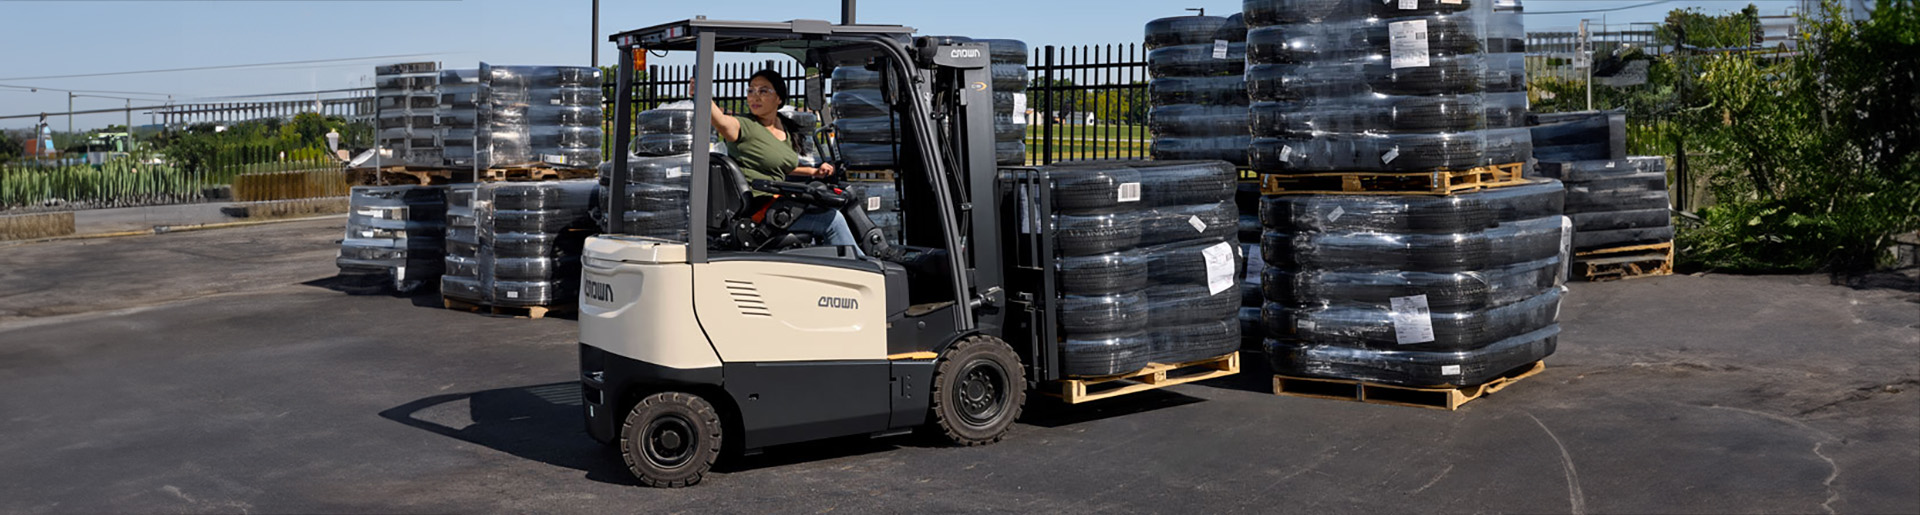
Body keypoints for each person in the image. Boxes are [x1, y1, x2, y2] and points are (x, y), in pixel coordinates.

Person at [700, 69, 867, 258]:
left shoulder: (782, 128)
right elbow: (721, 121)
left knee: (829, 208)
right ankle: (862, 264)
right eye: (751, 90)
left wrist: (813, 172)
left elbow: (779, 164)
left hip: (778, 204)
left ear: (779, 98)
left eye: (763, 91)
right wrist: (701, 92)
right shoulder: (744, 126)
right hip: (762, 212)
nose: (755, 96)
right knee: (832, 220)